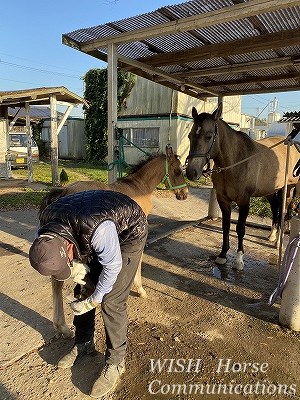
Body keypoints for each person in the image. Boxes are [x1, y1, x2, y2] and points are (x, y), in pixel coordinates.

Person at [29, 190, 148, 398]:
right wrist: (80, 277)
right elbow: (61, 260)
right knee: (82, 286)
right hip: (86, 226)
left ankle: (116, 363)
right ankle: (84, 342)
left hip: (129, 230)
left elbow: (112, 266)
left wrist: (95, 298)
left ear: (66, 245)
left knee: (111, 299)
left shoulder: (98, 231)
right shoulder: (44, 228)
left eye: (67, 260)